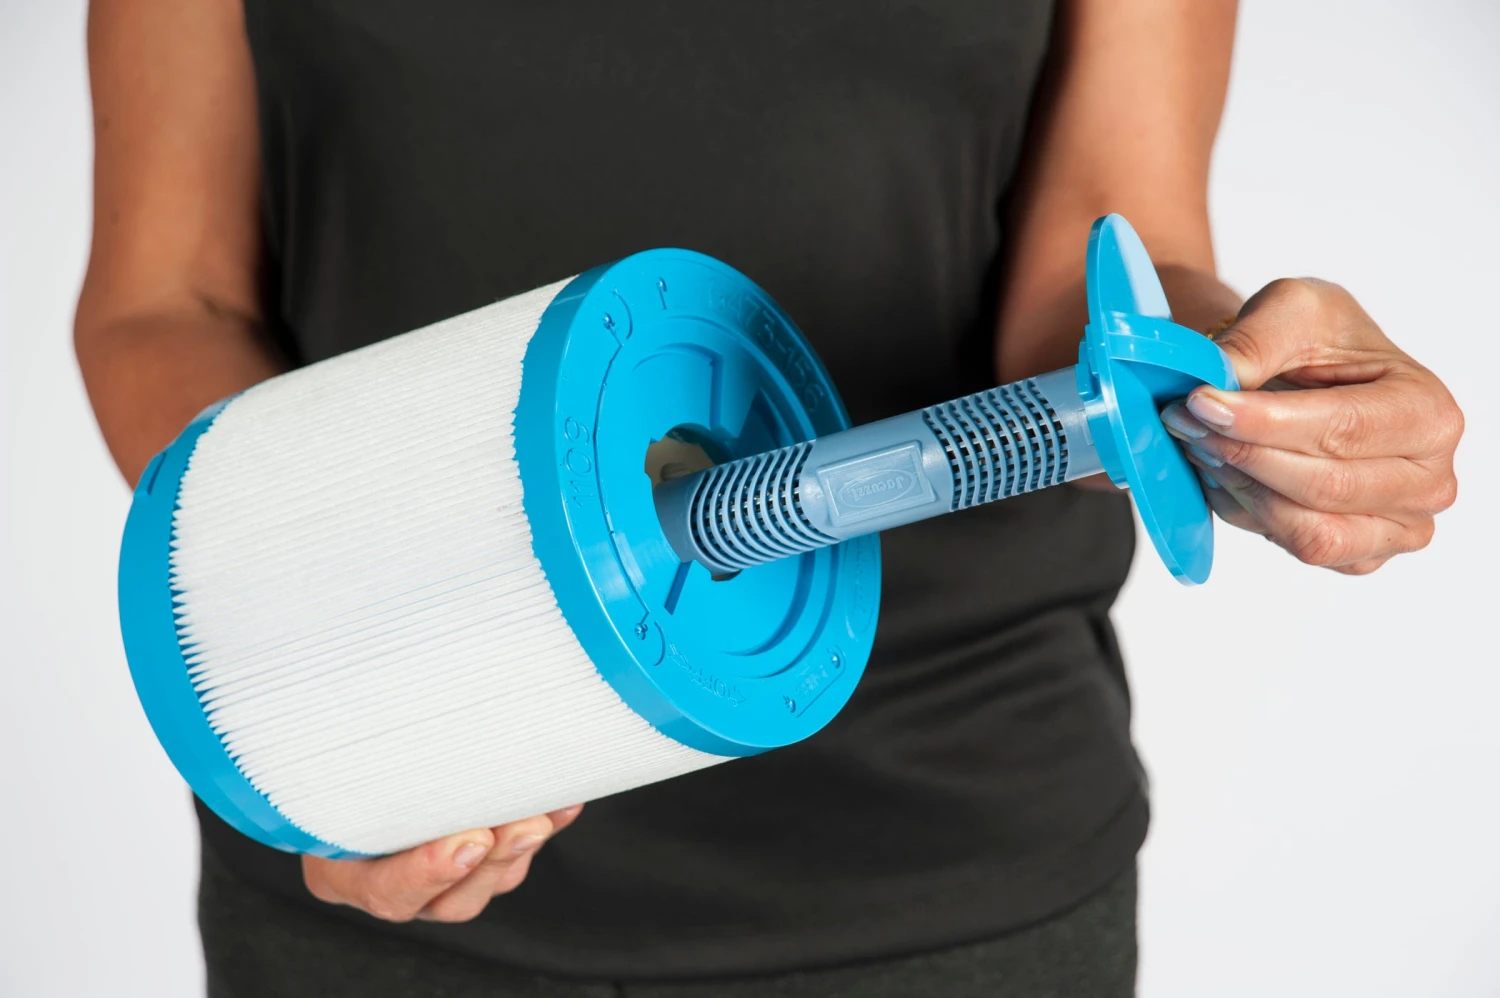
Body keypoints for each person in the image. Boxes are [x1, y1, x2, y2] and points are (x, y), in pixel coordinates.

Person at [75, 1, 1462, 995]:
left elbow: (1101, 256)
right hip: (388, 841)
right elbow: (164, 301)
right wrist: (326, 712)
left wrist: (1234, 383)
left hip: (946, 870)